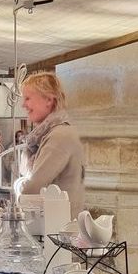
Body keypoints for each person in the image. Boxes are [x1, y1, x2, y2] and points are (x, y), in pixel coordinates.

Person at [19, 71, 86, 214]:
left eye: (28, 98)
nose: (23, 105)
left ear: (48, 100)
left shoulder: (60, 136)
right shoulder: (53, 134)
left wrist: (14, 207)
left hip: (59, 228)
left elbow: (35, 186)